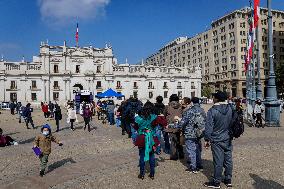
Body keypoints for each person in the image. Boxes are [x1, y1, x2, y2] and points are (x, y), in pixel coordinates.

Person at [204, 91, 233, 188]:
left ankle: (216, 182)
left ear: (217, 99)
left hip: (216, 139)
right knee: (228, 159)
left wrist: (207, 139)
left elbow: (209, 127)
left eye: (214, 97)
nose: (212, 99)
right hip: (228, 137)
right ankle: (228, 179)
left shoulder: (212, 110)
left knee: (218, 161)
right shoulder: (230, 108)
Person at [132, 101, 165, 180]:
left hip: (141, 137)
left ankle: (142, 174)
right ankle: (152, 174)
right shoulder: (154, 117)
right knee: (152, 156)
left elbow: (135, 127)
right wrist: (161, 116)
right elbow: (164, 123)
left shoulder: (138, 118)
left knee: (142, 156)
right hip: (151, 138)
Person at [174, 97, 206, 173]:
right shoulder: (202, 110)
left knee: (191, 150)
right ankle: (199, 164)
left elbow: (182, 123)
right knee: (197, 149)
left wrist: (173, 125)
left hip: (190, 133)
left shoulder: (190, 111)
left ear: (192, 102)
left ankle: (193, 167)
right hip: (199, 133)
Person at [164, 94, 184, 160]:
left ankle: (174, 155)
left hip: (171, 126)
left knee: (173, 141)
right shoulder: (181, 106)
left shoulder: (167, 107)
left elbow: (164, 115)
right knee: (179, 140)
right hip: (179, 125)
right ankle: (181, 154)